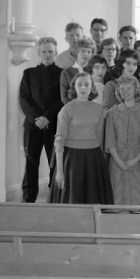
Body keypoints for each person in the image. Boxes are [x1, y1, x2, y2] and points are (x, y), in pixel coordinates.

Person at [48, 72, 113, 204]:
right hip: (72, 159)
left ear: (92, 87)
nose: (83, 87)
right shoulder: (66, 109)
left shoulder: (99, 109)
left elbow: (99, 135)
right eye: (79, 84)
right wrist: (60, 171)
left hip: (93, 158)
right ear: (74, 87)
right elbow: (59, 140)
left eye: (86, 84)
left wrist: (99, 163)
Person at [20, 37, 64, 203]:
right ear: (38, 53)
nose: (47, 55)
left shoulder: (62, 74)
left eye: (50, 51)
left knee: (55, 162)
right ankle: (28, 198)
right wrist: (37, 119)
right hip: (33, 126)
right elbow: (24, 99)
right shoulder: (29, 73)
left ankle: (55, 197)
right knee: (31, 162)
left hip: (54, 125)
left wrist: (47, 117)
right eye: (44, 52)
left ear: (56, 52)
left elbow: (62, 99)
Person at [105, 75, 140, 206]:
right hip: (117, 160)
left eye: (129, 88)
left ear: (136, 90)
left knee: (136, 196)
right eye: (122, 89)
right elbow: (110, 139)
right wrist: (118, 161)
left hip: (138, 160)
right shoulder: (113, 112)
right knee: (117, 196)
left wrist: (137, 159)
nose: (125, 92)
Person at [59, 38, 95, 104]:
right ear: (77, 52)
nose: (86, 54)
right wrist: (77, 107)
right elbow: (64, 97)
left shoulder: (94, 70)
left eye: (89, 52)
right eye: (83, 51)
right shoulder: (66, 72)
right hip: (72, 108)